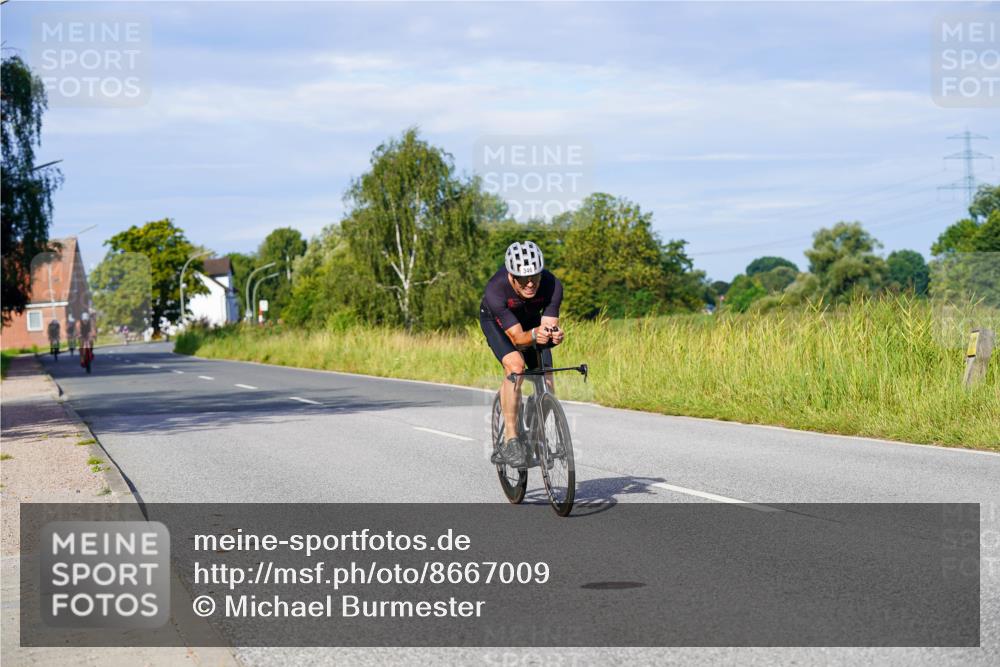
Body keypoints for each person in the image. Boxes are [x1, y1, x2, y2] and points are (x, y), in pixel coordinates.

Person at [480, 241, 565, 468]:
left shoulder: (551, 284)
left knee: (547, 380)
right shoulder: (495, 290)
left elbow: (547, 325)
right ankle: (511, 440)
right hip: (498, 323)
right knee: (516, 368)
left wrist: (553, 335)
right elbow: (518, 338)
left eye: (535, 277)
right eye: (523, 279)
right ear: (511, 276)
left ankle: (536, 437)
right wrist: (537, 333)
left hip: (531, 321)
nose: (530, 284)